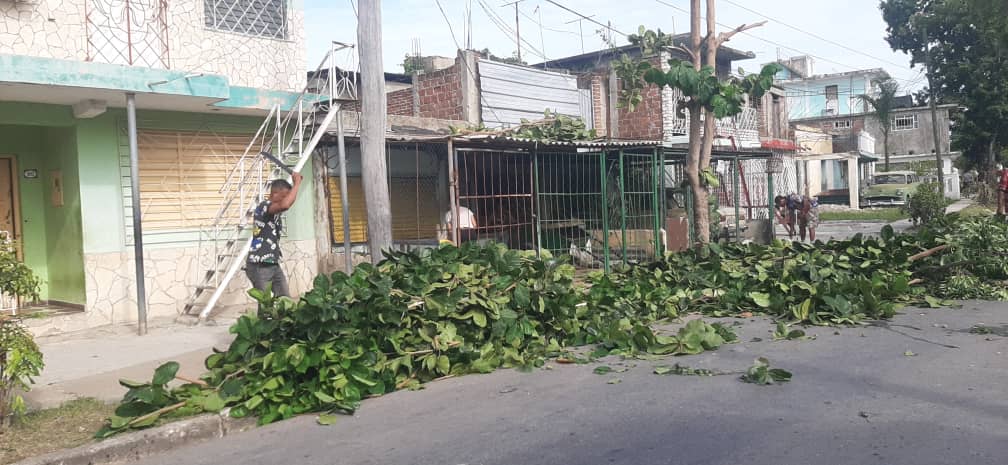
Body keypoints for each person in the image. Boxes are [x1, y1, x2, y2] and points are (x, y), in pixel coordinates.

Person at [246, 173, 302, 297]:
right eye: (283, 196)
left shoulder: (275, 212)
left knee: (284, 299)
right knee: (266, 303)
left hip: (272, 263)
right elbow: (286, 205)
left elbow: (286, 203)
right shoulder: (264, 206)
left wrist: (294, 186)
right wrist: (297, 183)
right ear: (275, 194)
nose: (285, 200)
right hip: (259, 265)